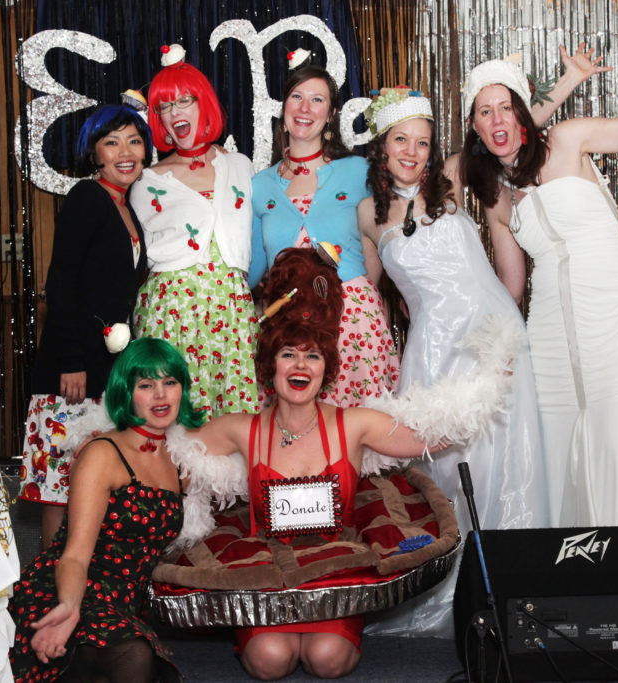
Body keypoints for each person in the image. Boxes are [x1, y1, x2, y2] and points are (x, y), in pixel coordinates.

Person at [451, 1, 618, 526]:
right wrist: (475, 334)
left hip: (611, 305)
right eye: (484, 112)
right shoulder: (497, 196)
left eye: (506, 107)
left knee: (616, 435)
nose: (497, 119)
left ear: (524, 112)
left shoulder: (568, 139)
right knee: (558, 440)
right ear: (474, 125)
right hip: (550, 326)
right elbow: (511, 286)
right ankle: (573, 563)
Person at [192, 248, 449, 680]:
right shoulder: (240, 428)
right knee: (270, 659)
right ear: (270, 364)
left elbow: (430, 435)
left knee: (327, 658)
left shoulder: (353, 424)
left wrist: (489, 393)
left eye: (312, 355)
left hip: (335, 570)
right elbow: (171, 453)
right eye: (288, 353)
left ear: (326, 367)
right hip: (268, 572)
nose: (300, 365)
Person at [355, 89, 550, 638]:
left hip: (493, 341)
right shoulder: (367, 214)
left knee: (507, 464)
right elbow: (367, 295)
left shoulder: (450, 179)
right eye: (401, 140)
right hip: (433, 354)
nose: (412, 152)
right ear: (382, 146)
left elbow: (503, 131)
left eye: (422, 142)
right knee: (447, 474)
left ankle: (511, 589)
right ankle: (456, 592)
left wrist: (566, 84)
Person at [9, 337, 204, 682]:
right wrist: (69, 607)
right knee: (134, 659)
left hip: (125, 605)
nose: (160, 394)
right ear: (126, 393)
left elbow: (244, 429)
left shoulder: (180, 461)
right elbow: (73, 557)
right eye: (146, 385)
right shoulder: (102, 454)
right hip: (69, 591)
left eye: (170, 382)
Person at [19, 104, 152, 547]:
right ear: (94, 153)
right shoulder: (87, 197)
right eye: (111, 143)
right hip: (72, 369)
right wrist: (72, 360)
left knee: (91, 481)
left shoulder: (125, 206)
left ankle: (89, 576)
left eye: (134, 141)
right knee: (60, 485)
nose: (125, 152)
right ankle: (50, 577)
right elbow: (63, 283)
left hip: (106, 368)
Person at [249, 55, 400, 407]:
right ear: (283, 107)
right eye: (297, 97)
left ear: (330, 115)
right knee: (297, 431)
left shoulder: (358, 171)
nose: (305, 108)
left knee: (357, 431)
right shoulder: (259, 185)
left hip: (351, 322)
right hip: (289, 329)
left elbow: (381, 246)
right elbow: (253, 269)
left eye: (317, 99)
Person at [130, 44, 260, 419]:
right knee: (171, 424)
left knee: (231, 424)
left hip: (230, 314)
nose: (174, 113)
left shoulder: (240, 167)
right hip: (171, 314)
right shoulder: (147, 181)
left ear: (204, 103)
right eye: (164, 106)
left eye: (183, 101)